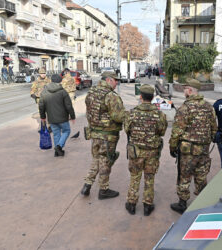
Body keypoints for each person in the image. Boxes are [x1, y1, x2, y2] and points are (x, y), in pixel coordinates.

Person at [169, 78, 217, 214]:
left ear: (189, 90)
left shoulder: (185, 108)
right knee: (201, 175)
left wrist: (172, 147)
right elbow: (214, 128)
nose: (184, 91)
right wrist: (208, 139)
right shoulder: (208, 106)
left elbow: (176, 132)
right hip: (203, 149)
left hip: (188, 150)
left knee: (184, 176)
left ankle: (182, 203)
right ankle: (202, 203)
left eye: (185, 89)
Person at [80, 71, 125, 200]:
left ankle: (87, 184)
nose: (117, 83)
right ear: (109, 80)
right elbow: (118, 116)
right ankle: (103, 190)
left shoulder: (91, 92)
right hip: (108, 135)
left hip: (94, 133)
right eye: (116, 81)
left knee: (96, 159)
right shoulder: (110, 95)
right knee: (105, 161)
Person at [124, 84, 167, 216]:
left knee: (135, 177)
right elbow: (162, 131)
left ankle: (131, 204)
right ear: (153, 97)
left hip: (136, 152)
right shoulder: (159, 115)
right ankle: (147, 205)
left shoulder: (132, 113)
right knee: (149, 178)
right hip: (152, 152)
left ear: (141, 97)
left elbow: (127, 129)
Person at [39, 74, 76, 157]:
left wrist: (43, 117)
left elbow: (41, 106)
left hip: (51, 118)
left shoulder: (44, 91)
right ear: (60, 81)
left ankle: (57, 152)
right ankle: (59, 146)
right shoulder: (63, 91)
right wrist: (72, 116)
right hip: (63, 117)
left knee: (56, 134)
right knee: (66, 131)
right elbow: (69, 105)